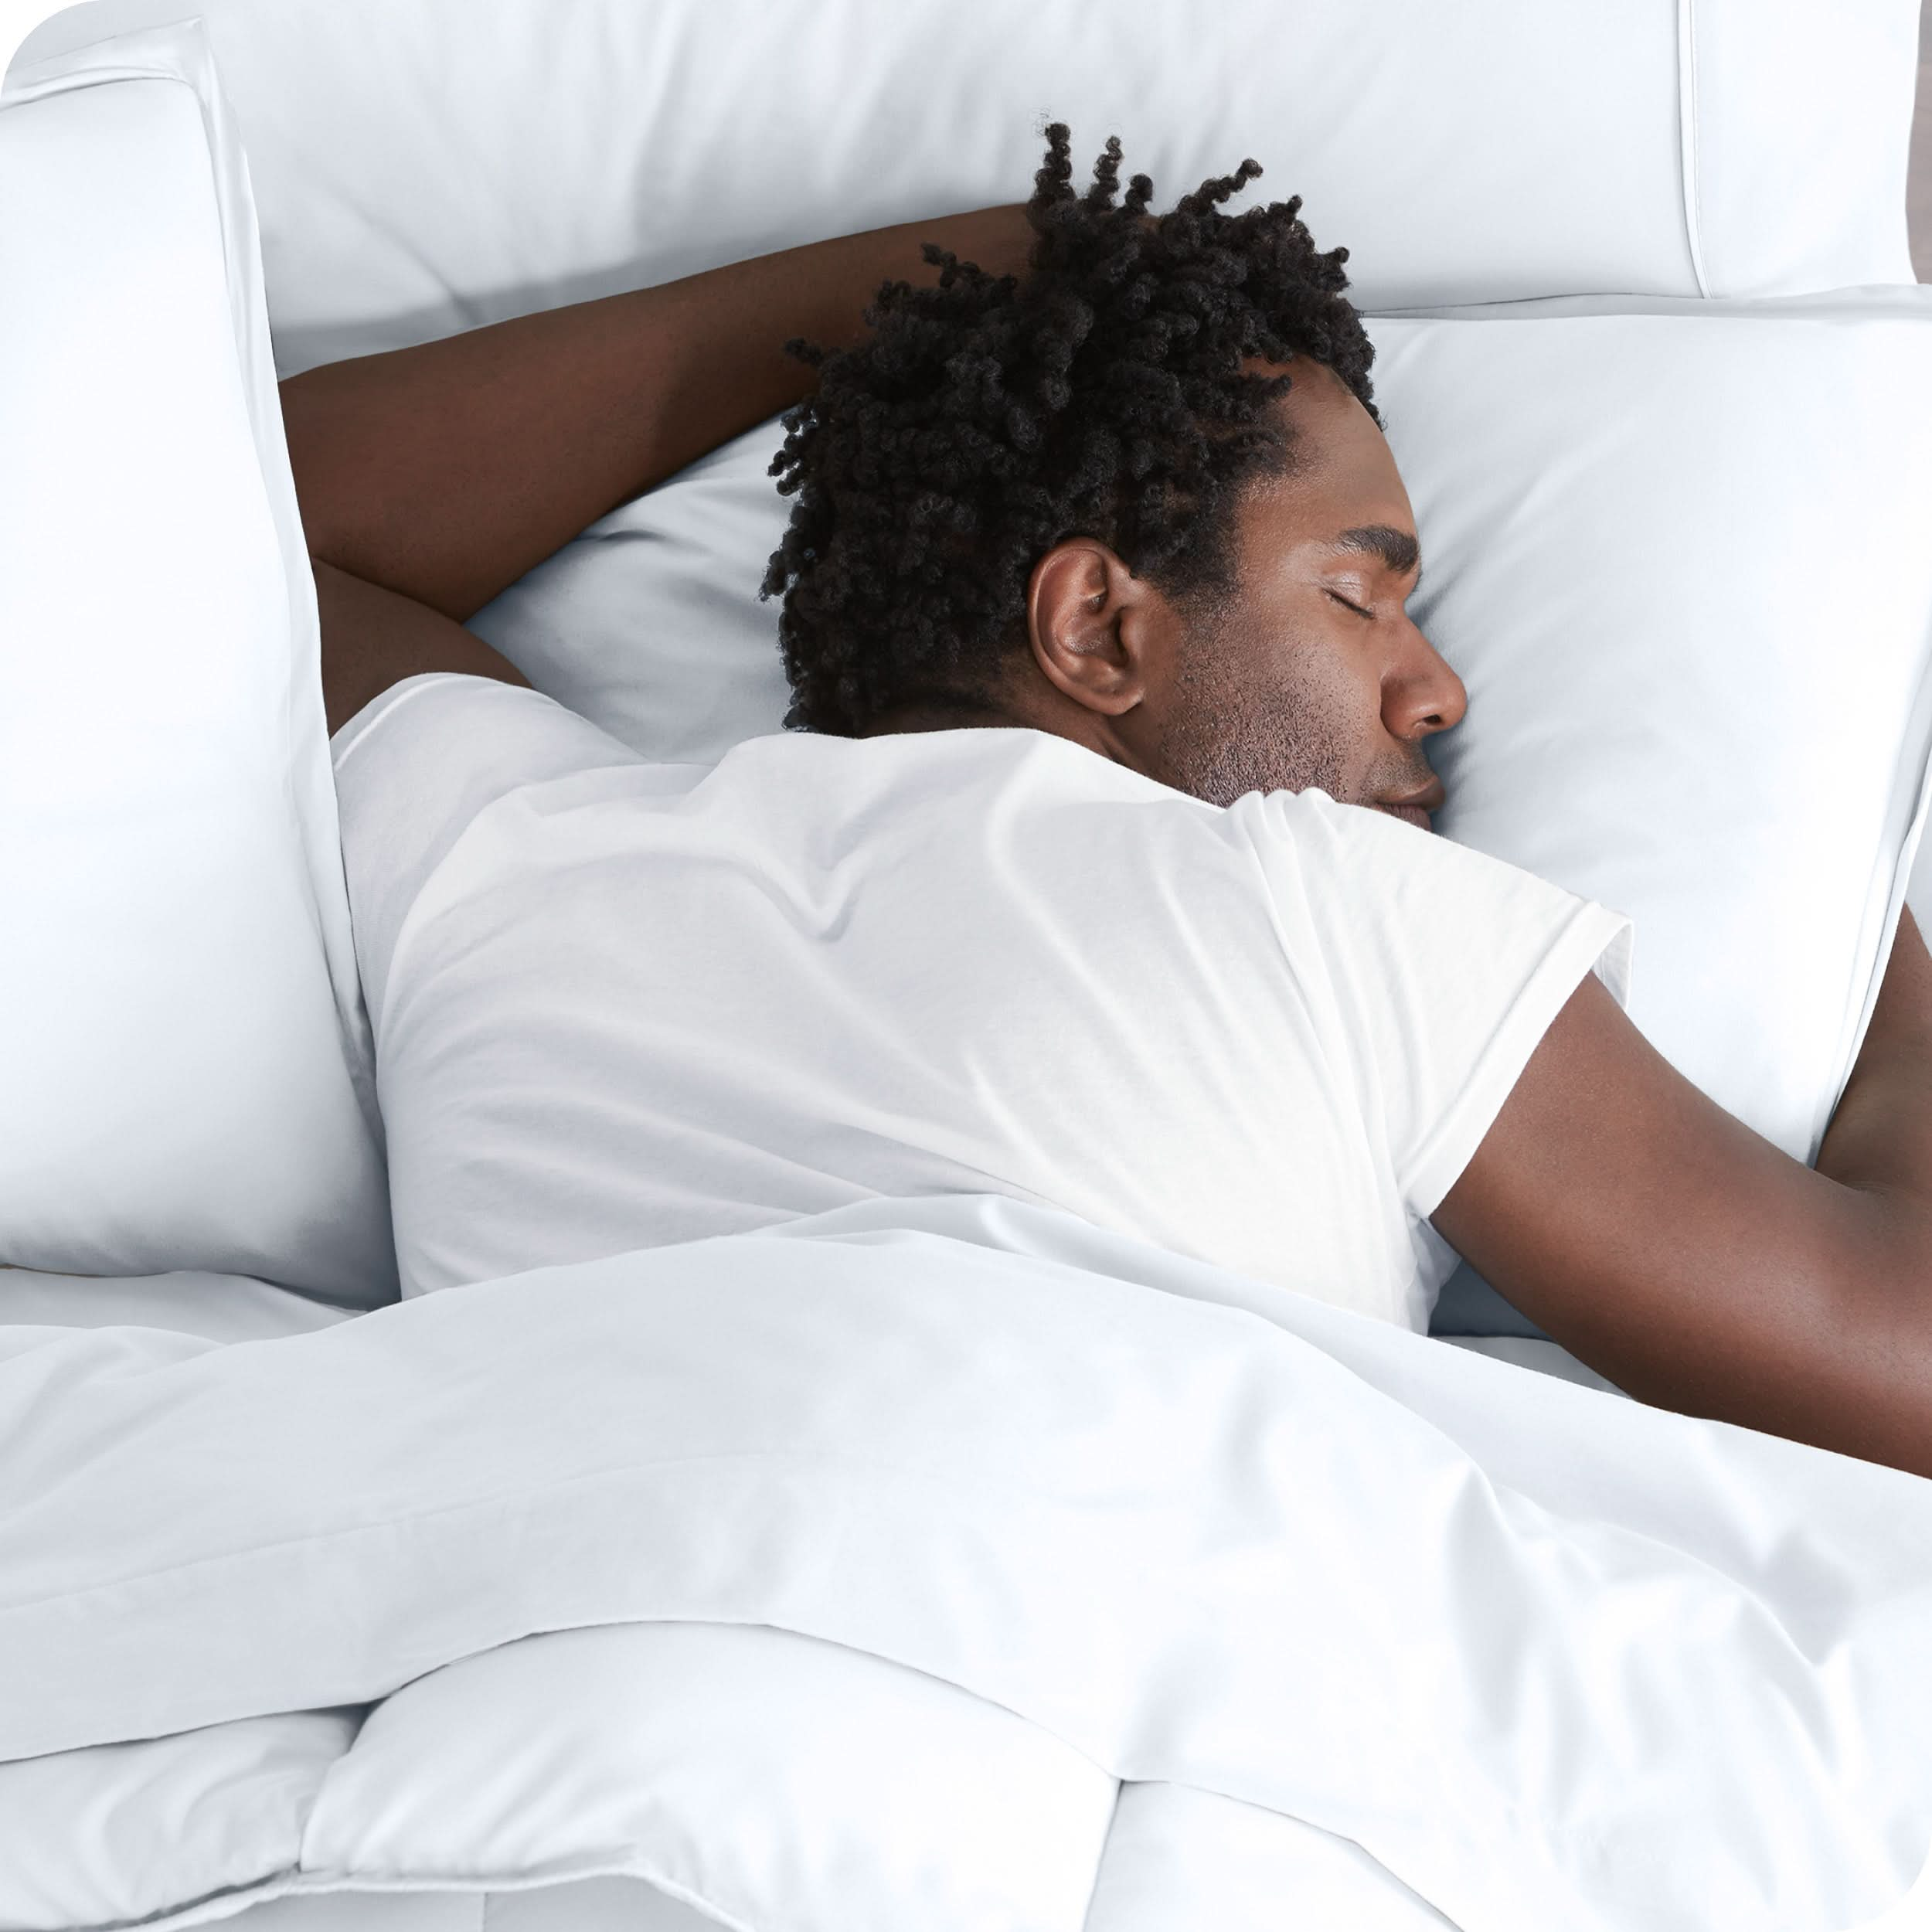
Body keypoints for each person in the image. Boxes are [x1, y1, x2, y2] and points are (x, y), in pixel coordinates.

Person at [282, 128, 1932, 1480]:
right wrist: (1859, 920)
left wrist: (934, 284)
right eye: (1359, 596)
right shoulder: (1326, 911)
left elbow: (244, 520)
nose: (1435, 690)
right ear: (1095, 623)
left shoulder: (504, 850)